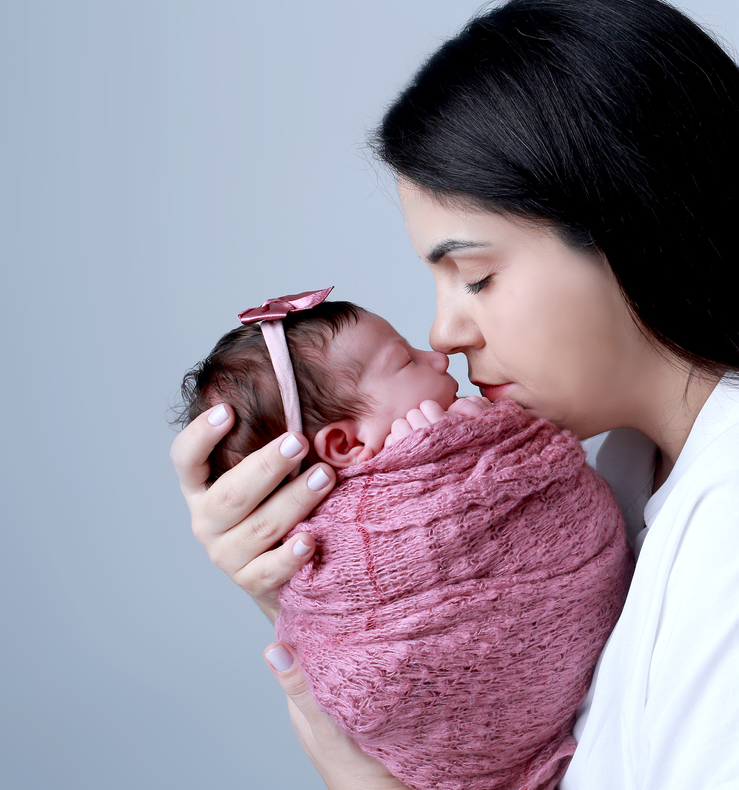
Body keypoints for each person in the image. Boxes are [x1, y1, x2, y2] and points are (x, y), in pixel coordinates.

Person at [170, 0, 739, 788]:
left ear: (633, 227)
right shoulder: (627, 473)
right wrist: (312, 579)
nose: (445, 333)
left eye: (474, 275)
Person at [176, 290, 632, 790]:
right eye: (406, 360)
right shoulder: (329, 534)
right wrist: (450, 453)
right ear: (346, 445)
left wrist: (461, 448)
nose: (438, 354)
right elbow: (344, 617)